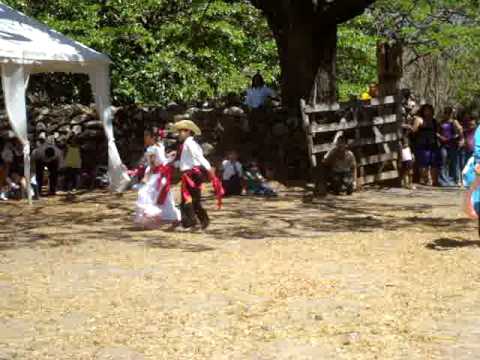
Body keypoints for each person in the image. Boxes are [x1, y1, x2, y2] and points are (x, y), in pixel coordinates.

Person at [173, 119, 224, 230]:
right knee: (193, 200)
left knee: (188, 199)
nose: (180, 133)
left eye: (182, 131)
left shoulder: (189, 143)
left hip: (191, 175)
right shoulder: (188, 144)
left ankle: (191, 222)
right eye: (179, 131)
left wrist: (209, 168)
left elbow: (198, 157)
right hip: (190, 174)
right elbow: (187, 160)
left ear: (188, 132)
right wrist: (173, 162)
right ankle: (202, 220)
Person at [134, 129, 181, 227]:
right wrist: (169, 158)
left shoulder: (151, 149)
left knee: (146, 194)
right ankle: (173, 217)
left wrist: (146, 177)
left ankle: (151, 217)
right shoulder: (160, 146)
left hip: (157, 176)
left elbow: (152, 166)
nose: (144, 139)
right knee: (165, 197)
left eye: (146, 136)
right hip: (163, 174)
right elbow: (162, 160)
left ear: (152, 137)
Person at [411, 104, 441, 186]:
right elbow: (413, 131)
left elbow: (437, 132)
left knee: (434, 164)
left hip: (433, 144)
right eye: (426, 110)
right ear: (423, 111)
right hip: (422, 145)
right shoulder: (419, 120)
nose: (427, 112)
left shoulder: (434, 121)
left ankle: (435, 181)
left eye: (429, 110)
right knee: (423, 164)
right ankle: (425, 180)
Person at [437, 107, 463, 186]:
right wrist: (441, 137)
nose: (447, 115)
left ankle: (457, 180)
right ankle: (443, 181)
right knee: (443, 162)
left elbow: (460, 131)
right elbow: (437, 132)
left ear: (451, 114)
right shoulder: (441, 122)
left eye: (449, 113)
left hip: (452, 145)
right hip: (443, 145)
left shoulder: (454, 122)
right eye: (446, 113)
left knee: (454, 162)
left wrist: (457, 138)